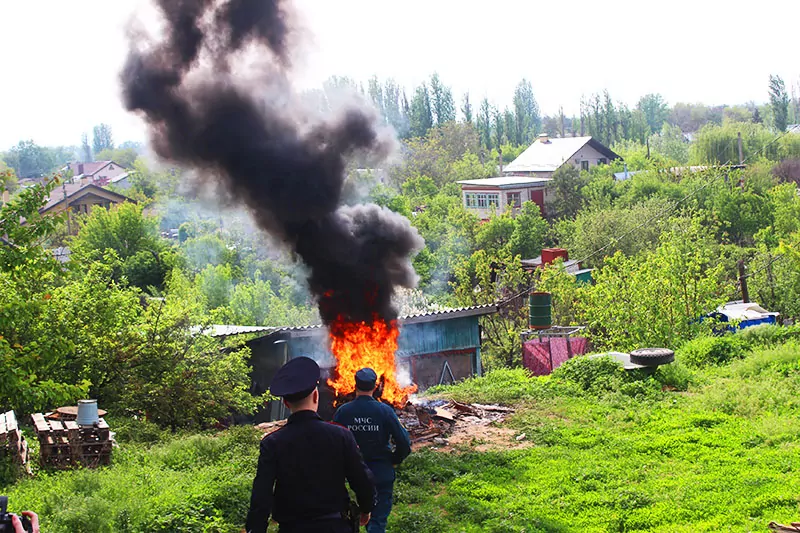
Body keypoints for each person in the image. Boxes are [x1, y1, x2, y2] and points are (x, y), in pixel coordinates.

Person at [245, 357, 376, 533]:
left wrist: (256, 528)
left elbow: (261, 495)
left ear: (285, 403)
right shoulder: (341, 435)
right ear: (316, 395)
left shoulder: (272, 443)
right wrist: (366, 508)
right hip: (336, 527)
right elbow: (361, 479)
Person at [333, 368, 411, 533]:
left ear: (355, 385)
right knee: (377, 522)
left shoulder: (343, 412)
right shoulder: (384, 411)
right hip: (381, 472)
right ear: (375, 386)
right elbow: (404, 442)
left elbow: (333, 444)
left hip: (354, 476)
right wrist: (394, 460)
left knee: (356, 516)